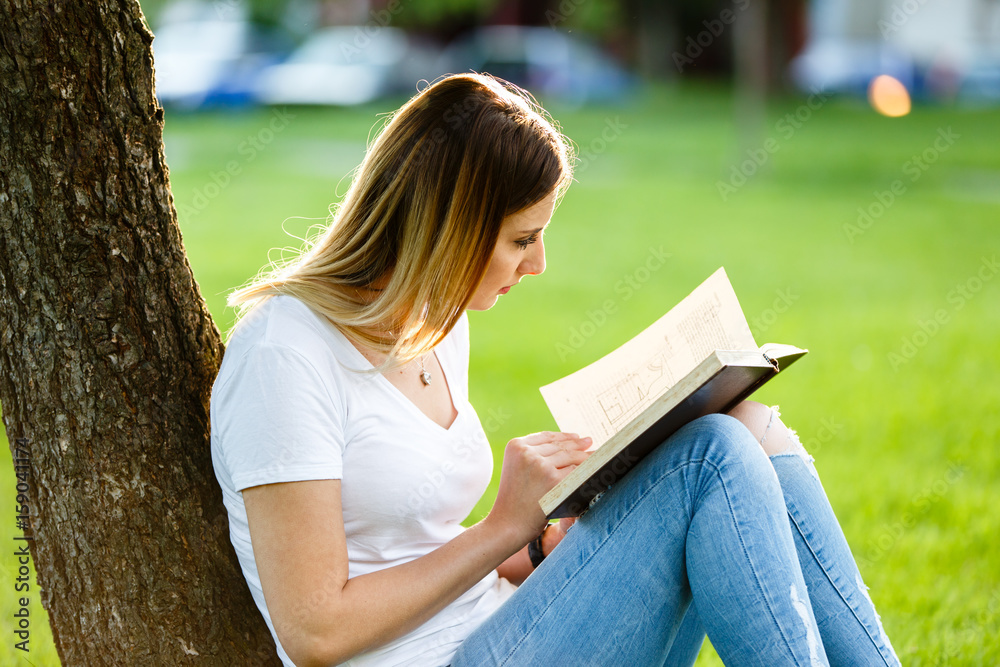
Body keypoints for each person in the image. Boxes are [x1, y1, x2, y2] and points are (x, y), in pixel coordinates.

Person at [209, 72, 901, 667]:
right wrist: (501, 528)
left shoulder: (436, 325)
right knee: (708, 460)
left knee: (742, 418)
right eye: (521, 240)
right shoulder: (283, 352)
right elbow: (315, 630)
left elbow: (412, 538)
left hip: (506, 621)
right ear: (450, 223)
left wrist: (538, 544)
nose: (538, 265)